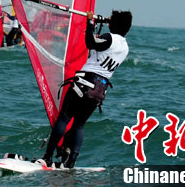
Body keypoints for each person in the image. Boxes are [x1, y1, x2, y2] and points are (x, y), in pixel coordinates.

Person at [39, 9, 132, 168]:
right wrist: (96, 28)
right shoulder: (125, 47)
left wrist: (89, 23)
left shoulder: (110, 38)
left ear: (114, 24)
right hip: (100, 89)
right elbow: (99, 45)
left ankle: (47, 157)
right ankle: (71, 162)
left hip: (85, 82)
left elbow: (90, 43)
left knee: (64, 118)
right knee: (79, 124)